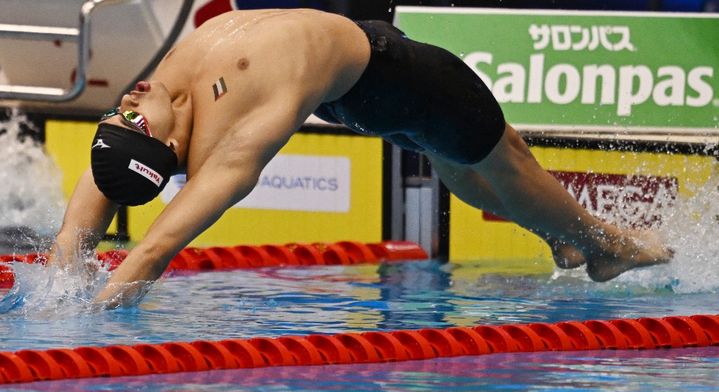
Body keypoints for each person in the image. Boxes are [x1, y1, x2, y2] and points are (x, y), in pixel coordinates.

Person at [49, 9, 672, 308]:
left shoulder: (161, 101)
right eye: (132, 118)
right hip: (392, 77)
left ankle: (558, 236)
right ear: (167, 147)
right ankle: (604, 243)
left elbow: (99, 184)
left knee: (461, 166)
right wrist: (95, 320)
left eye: (117, 115)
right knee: (500, 159)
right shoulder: (234, 143)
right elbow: (156, 248)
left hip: (345, 53)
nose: (127, 99)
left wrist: (63, 274)